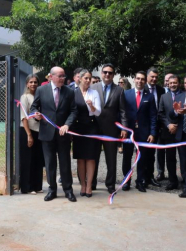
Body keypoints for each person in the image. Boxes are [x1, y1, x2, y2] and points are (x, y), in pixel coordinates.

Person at [30, 66, 78, 202]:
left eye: (64, 76)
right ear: (51, 77)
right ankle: (52, 190)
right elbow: (34, 107)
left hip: (63, 133)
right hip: (47, 133)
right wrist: (36, 115)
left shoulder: (69, 92)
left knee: (65, 163)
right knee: (50, 162)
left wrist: (67, 124)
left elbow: (74, 111)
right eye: (60, 76)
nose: (63, 79)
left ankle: (68, 190)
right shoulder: (41, 90)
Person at [91, 64, 128, 194]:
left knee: (111, 158)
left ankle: (110, 184)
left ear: (113, 75)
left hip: (111, 129)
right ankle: (92, 182)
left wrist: (123, 128)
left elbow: (123, 111)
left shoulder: (119, 90)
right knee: (93, 157)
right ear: (101, 73)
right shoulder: (93, 87)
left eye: (110, 73)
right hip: (95, 128)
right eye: (105, 72)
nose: (107, 75)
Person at [122, 71, 157, 192]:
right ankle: (126, 181)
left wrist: (152, 133)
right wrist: (122, 129)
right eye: (138, 78)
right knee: (127, 157)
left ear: (145, 81)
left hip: (143, 132)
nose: (140, 81)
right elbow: (122, 113)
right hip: (128, 132)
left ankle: (140, 181)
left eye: (142, 79)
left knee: (142, 158)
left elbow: (153, 116)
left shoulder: (150, 96)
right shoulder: (126, 94)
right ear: (134, 79)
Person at [71, 69, 102, 197]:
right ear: (80, 78)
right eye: (86, 78)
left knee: (90, 158)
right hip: (78, 128)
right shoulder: (73, 93)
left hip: (91, 127)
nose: (88, 81)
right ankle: (82, 185)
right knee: (80, 159)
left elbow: (98, 112)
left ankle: (89, 186)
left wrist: (92, 107)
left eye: (90, 78)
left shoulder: (94, 93)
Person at [19, 74, 44, 194]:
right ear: (27, 84)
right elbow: (24, 117)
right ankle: (27, 187)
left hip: (39, 131)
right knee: (27, 160)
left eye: (35, 82)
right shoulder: (24, 97)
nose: (33, 84)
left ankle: (37, 186)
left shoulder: (40, 96)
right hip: (28, 131)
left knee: (37, 159)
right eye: (31, 82)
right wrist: (28, 134)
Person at [157, 74, 181, 189]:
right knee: (170, 157)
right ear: (167, 84)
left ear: (179, 83)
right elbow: (160, 113)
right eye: (171, 83)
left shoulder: (184, 95)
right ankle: (172, 181)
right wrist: (168, 125)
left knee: (185, 157)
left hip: (182, 131)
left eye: (175, 82)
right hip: (168, 131)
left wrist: (177, 125)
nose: (172, 85)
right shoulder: (164, 97)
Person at [145, 67, 165, 187]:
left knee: (152, 153)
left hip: (157, 126)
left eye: (156, 77)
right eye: (152, 76)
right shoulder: (143, 88)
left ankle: (150, 177)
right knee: (143, 153)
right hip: (143, 126)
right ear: (147, 76)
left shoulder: (161, 90)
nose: (154, 79)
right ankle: (142, 177)